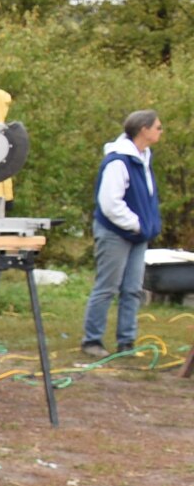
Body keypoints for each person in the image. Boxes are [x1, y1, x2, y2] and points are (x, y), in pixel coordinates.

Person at [81, 109, 165, 357]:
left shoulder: (144, 157)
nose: (161, 131)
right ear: (144, 130)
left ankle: (126, 342)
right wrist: (137, 224)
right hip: (115, 233)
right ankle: (92, 341)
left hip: (137, 235)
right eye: (157, 127)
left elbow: (146, 198)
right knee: (107, 287)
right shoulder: (119, 161)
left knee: (132, 289)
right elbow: (110, 203)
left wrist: (147, 226)